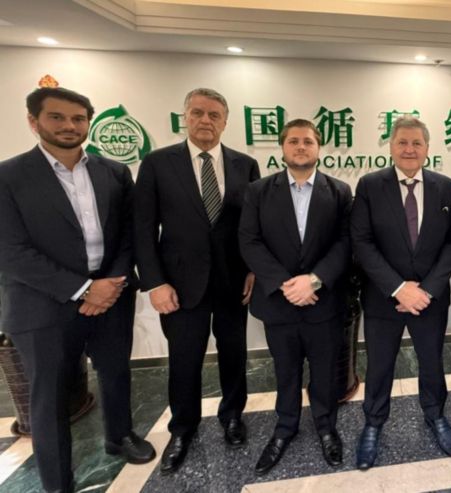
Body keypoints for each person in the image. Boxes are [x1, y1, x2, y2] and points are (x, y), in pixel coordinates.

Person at [0, 87, 154, 493]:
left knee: (115, 372)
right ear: (34, 121)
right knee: (49, 393)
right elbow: (10, 251)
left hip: (111, 295)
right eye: (57, 117)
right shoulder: (8, 176)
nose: (69, 125)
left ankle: (119, 435)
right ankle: (57, 478)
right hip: (41, 303)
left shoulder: (113, 172)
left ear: (88, 123)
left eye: (78, 118)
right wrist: (84, 289)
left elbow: (129, 234)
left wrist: (110, 284)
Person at [134, 87, 260, 473]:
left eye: (214, 115)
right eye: (198, 113)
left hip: (233, 281)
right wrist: (155, 283)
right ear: (185, 117)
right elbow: (142, 229)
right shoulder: (158, 163)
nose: (206, 120)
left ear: (225, 121)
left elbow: (252, 226)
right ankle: (183, 429)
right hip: (179, 285)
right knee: (184, 359)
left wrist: (253, 268)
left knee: (234, 354)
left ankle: (233, 416)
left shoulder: (245, 165)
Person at [239, 119, 352, 475]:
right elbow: (249, 241)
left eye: (307, 141)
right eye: (293, 141)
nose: (300, 146)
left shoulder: (340, 191)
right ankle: (285, 427)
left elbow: (345, 242)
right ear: (283, 147)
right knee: (285, 370)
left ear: (318, 148)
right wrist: (286, 284)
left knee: (325, 372)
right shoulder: (258, 191)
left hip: (323, 301)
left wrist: (314, 281)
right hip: (279, 301)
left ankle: (326, 427)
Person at [350, 116, 451, 469]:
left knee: (432, 362)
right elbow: (362, 242)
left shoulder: (446, 187)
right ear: (391, 146)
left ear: (428, 148)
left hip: (430, 298)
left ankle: (436, 415)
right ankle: (373, 423)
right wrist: (399, 288)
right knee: (380, 364)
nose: (409, 149)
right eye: (402, 142)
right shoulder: (370, 185)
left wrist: (426, 289)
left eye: (416, 143)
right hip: (384, 297)